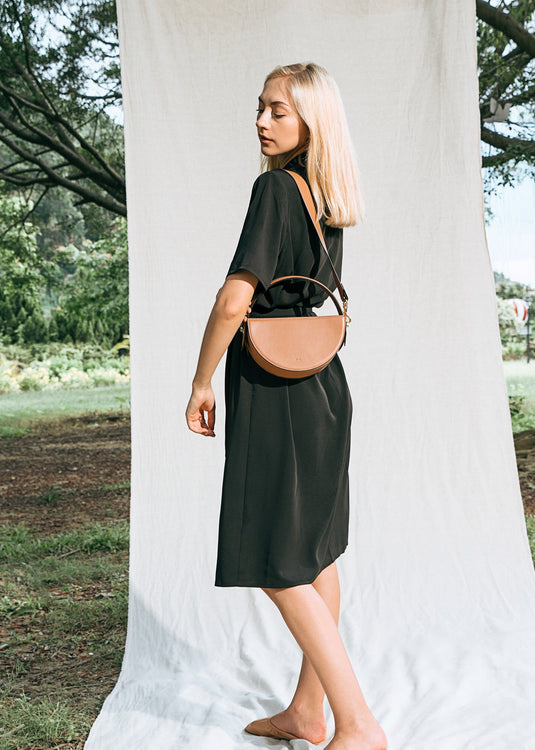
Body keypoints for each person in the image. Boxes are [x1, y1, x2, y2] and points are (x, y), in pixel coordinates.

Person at [185, 62, 387, 750]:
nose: (262, 121)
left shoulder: (275, 188)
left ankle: (358, 724)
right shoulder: (325, 194)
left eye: (278, 110)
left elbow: (234, 300)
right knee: (315, 557)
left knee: (279, 561)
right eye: (261, 108)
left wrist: (201, 380)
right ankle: (307, 712)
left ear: (311, 121)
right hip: (324, 390)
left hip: (277, 394)